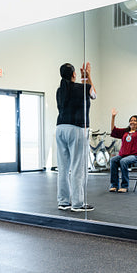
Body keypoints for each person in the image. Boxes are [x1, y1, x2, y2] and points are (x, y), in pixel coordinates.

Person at [56, 62, 97, 212]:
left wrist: (83, 79)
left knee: (63, 167)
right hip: (77, 129)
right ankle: (78, 204)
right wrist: (87, 76)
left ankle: (63, 201)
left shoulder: (60, 90)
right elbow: (94, 95)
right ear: (74, 74)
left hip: (60, 128)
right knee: (78, 167)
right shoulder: (82, 87)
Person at [109, 104, 137, 193]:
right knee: (113, 160)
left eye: (135, 120)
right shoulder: (125, 131)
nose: (132, 122)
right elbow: (113, 130)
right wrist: (113, 117)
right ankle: (114, 185)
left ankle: (124, 186)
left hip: (135, 156)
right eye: (131, 120)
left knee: (123, 161)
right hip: (123, 155)